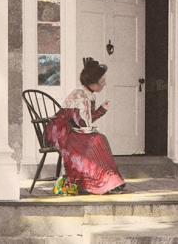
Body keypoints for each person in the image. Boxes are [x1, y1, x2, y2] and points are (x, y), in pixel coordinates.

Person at [46, 57, 126, 194]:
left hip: (74, 130)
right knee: (97, 139)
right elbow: (81, 122)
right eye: (102, 82)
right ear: (92, 83)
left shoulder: (88, 94)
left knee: (99, 139)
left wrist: (102, 110)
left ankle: (109, 181)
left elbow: (85, 121)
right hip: (63, 133)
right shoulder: (81, 95)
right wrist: (96, 118)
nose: (104, 84)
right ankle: (97, 182)